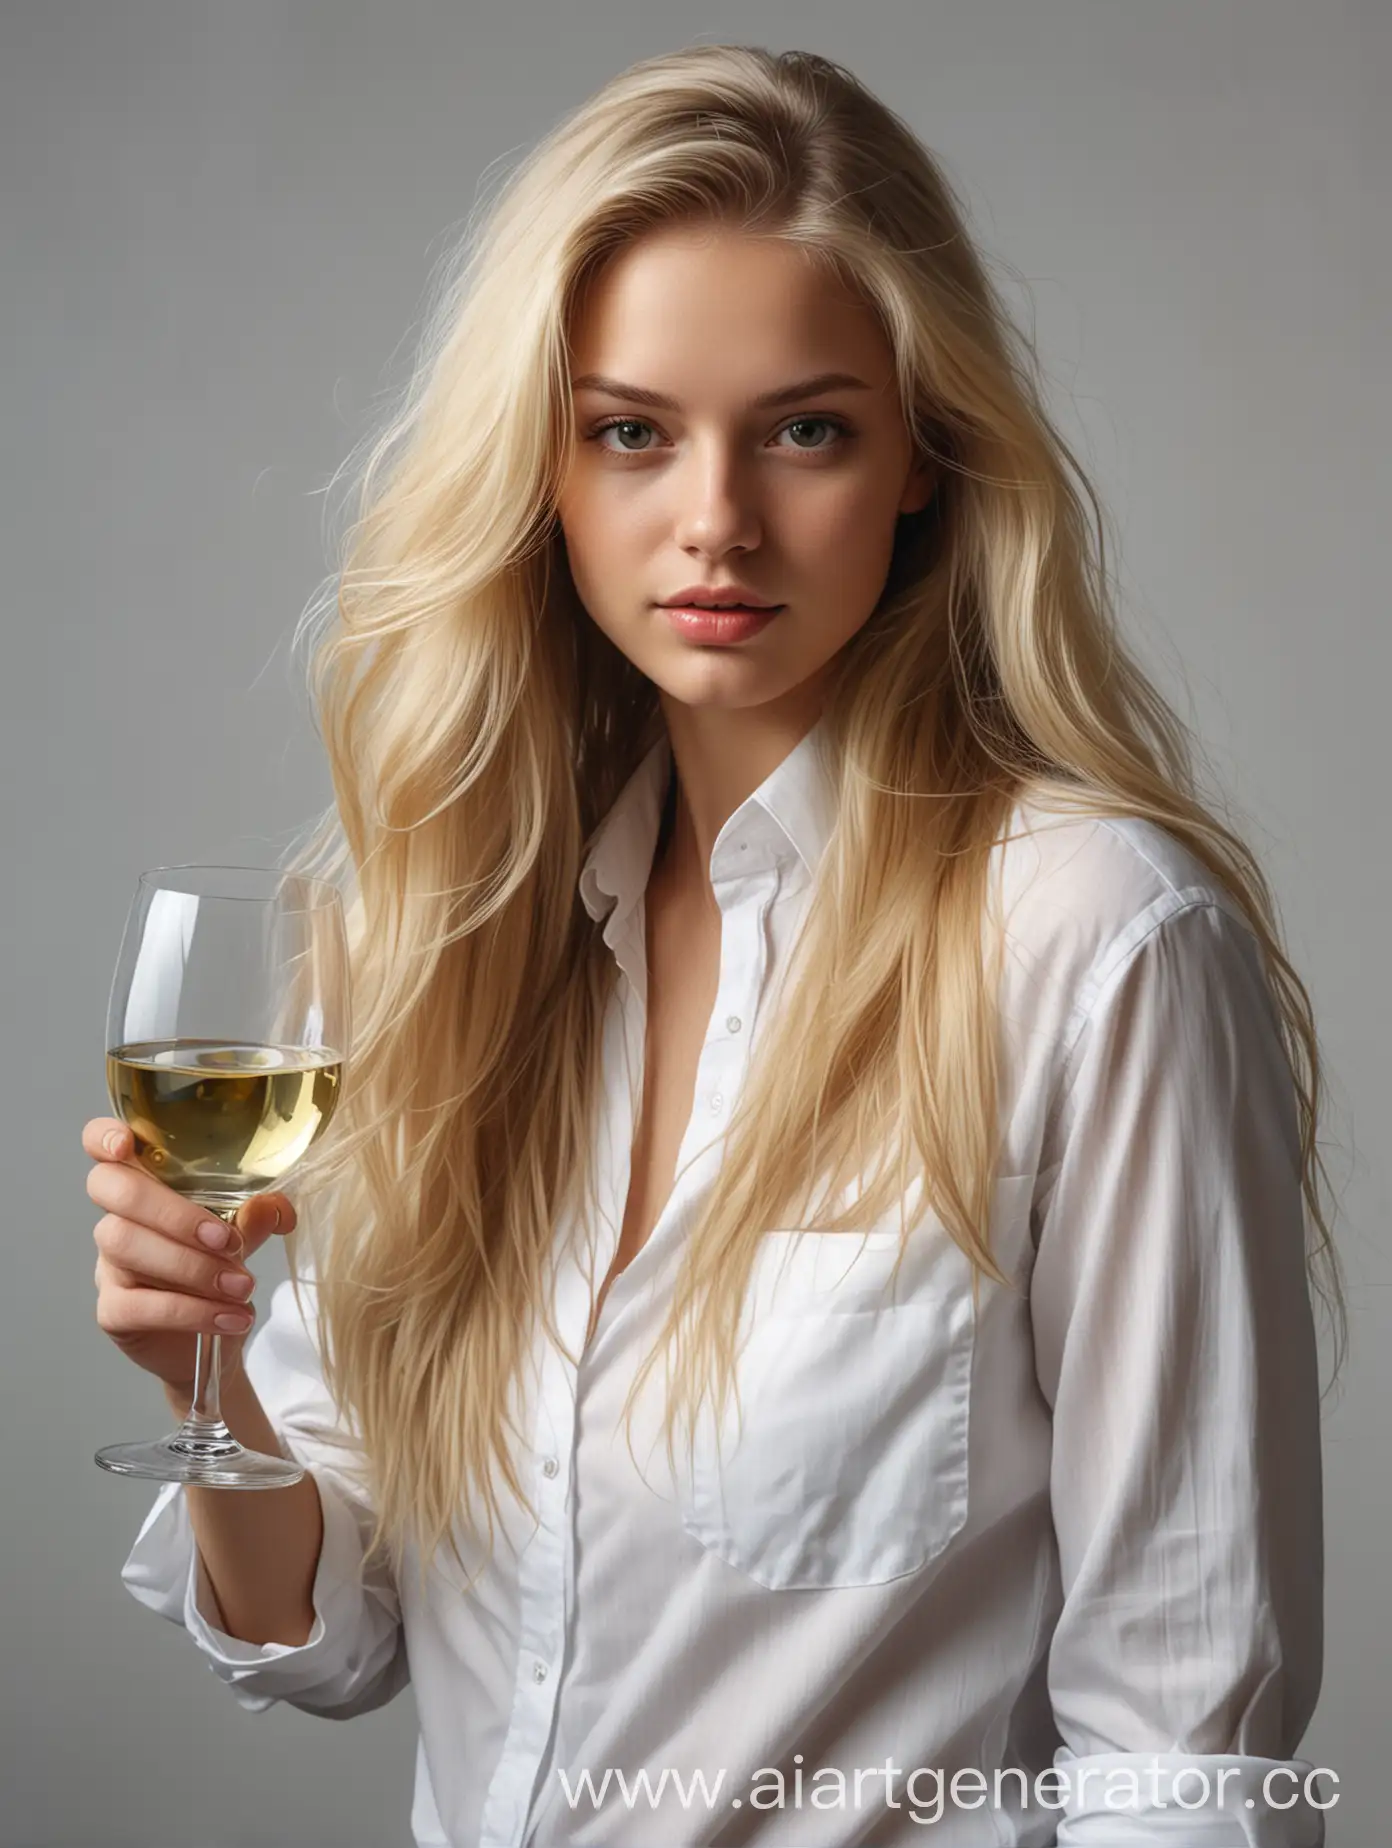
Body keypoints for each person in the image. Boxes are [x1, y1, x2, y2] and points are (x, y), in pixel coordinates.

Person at [86, 43, 1345, 1848]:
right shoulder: (450, 938)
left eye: (807, 427)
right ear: (548, 470)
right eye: (633, 431)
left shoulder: (1099, 937)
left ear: (926, 452)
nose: (719, 521)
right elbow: (331, 1621)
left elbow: (1188, 1758)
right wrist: (205, 1378)